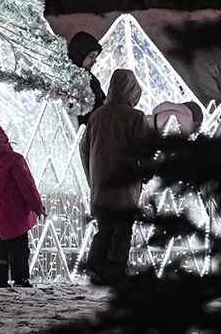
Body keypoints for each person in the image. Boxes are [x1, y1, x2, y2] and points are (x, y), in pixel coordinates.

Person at [79, 68, 147, 285]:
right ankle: (115, 269)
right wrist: (145, 174)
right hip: (125, 183)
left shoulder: (97, 115)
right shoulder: (135, 117)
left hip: (100, 183)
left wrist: (92, 177)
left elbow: (84, 149)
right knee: (123, 230)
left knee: (105, 227)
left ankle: (95, 266)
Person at [0, 124, 45, 288]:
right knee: (19, 247)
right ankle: (20, 278)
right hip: (15, 214)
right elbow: (27, 185)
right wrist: (37, 206)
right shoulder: (15, 160)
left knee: (0, 247)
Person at [67, 31, 106, 126]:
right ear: (80, 53)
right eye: (91, 56)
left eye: (95, 56)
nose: (94, 61)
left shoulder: (91, 78)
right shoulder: (66, 79)